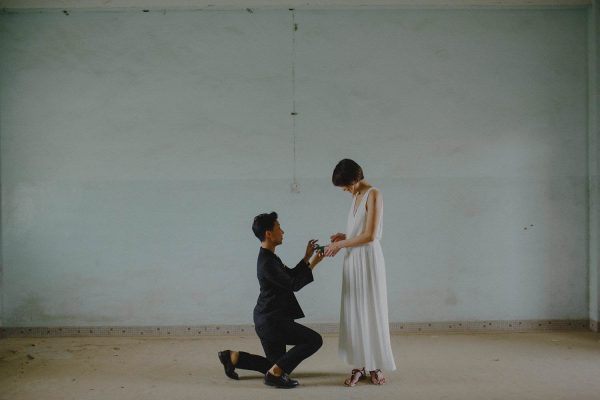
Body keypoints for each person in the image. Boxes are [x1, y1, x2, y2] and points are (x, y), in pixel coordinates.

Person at [218, 212, 325, 388]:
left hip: (267, 319)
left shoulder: (269, 257)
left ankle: (232, 357)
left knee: (276, 365)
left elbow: (288, 276)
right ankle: (274, 377)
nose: (283, 232)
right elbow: (294, 284)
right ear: (269, 233)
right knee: (314, 340)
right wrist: (314, 262)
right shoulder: (267, 262)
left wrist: (307, 258)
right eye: (279, 228)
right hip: (272, 322)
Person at [324, 159, 396, 386]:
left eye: (346, 185)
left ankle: (374, 365)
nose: (345, 190)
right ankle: (359, 364)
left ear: (355, 179)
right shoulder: (355, 195)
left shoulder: (373, 194)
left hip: (368, 260)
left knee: (370, 309)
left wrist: (340, 246)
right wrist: (344, 237)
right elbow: (359, 232)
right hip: (353, 260)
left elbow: (371, 236)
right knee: (354, 311)